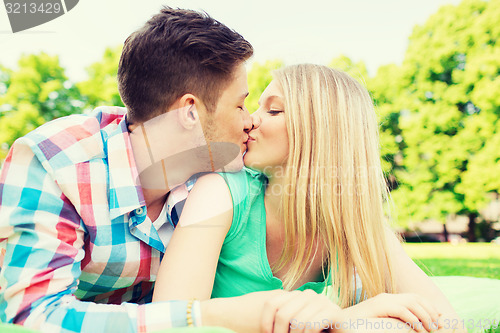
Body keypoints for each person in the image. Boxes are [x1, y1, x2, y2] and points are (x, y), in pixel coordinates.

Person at [0, 6, 280, 332]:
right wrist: (201, 317)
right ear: (190, 112)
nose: (250, 122)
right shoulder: (54, 163)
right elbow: (34, 316)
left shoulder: (218, 181)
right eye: (240, 105)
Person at [153, 64, 466, 333]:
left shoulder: (355, 223)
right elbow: (166, 322)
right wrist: (340, 320)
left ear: (320, 131)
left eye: (272, 110)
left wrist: (343, 323)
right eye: (256, 107)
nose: (250, 121)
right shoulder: (220, 192)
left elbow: (448, 324)